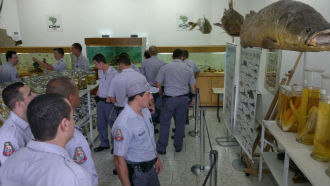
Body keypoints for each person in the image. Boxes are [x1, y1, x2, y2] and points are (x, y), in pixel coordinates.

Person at [0, 94, 92, 186]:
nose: (74, 122)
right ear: (65, 124)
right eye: (72, 117)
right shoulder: (75, 176)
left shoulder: (9, 164)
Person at [46, 77, 98, 186]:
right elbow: (86, 174)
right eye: (77, 93)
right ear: (70, 98)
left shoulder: (45, 126)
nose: (79, 97)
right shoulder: (72, 136)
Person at [112, 77, 162, 186]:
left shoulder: (145, 111)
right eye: (148, 94)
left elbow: (149, 139)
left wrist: (156, 158)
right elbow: (119, 160)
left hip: (151, 167)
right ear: (138, 97)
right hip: (137, 174)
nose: (151, 97)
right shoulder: (123, 123)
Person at [155, 49, 196, 154]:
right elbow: (192, 86)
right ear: (182, 57)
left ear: (172, 57)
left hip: (169, 99)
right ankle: (178, 146)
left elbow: (158, 84)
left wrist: (160, 94)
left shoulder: (165, 67)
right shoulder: (188, 69)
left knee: (164, 123)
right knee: (180, 123)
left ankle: (161, 148)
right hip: (183, 99)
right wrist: (193, 98)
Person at [0, 82, 36, 166]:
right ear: (19, 104)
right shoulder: (9, 136)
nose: (35, 95)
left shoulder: (29, 119)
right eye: (30, 94)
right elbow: (10, 172)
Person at [93, 53, 118, 153]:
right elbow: (101, 85)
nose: (95, 66)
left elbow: (118, 88)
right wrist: (97, 94)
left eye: (95, 63)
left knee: (113, 125)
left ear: (101, 62)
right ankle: (104, 144)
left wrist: (111, 97)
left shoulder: (114, 73)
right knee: (101, 124)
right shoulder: (99, 71)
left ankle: (115, 146)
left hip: (109, 103)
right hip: (100, 101)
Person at [140, 46, 166, 127]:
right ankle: (158, 121)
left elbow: (142, 76)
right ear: (157, 52)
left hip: (148, 88)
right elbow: (164, 76)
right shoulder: (162, 62)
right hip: (159, 87)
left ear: (149, 53)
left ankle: (151, 123)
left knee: (149, 105)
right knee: (159, 105)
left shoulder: (145, 62)